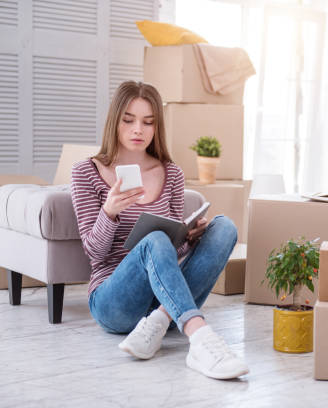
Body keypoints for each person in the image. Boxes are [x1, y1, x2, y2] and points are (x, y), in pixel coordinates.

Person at [70, 81, 249, 380]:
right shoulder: (86, 172)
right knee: (154, 239)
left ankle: (159, 320)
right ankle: (200, 338)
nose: (138, 129)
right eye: (128, 120)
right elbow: (94, 253)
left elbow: (173, 252)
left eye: (148, 122)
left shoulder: (172, 173)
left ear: (157, 127)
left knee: (225, 228)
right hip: (112, 300)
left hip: (161, 296)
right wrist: (109, 213)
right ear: (115, 121)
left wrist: (188, 239)